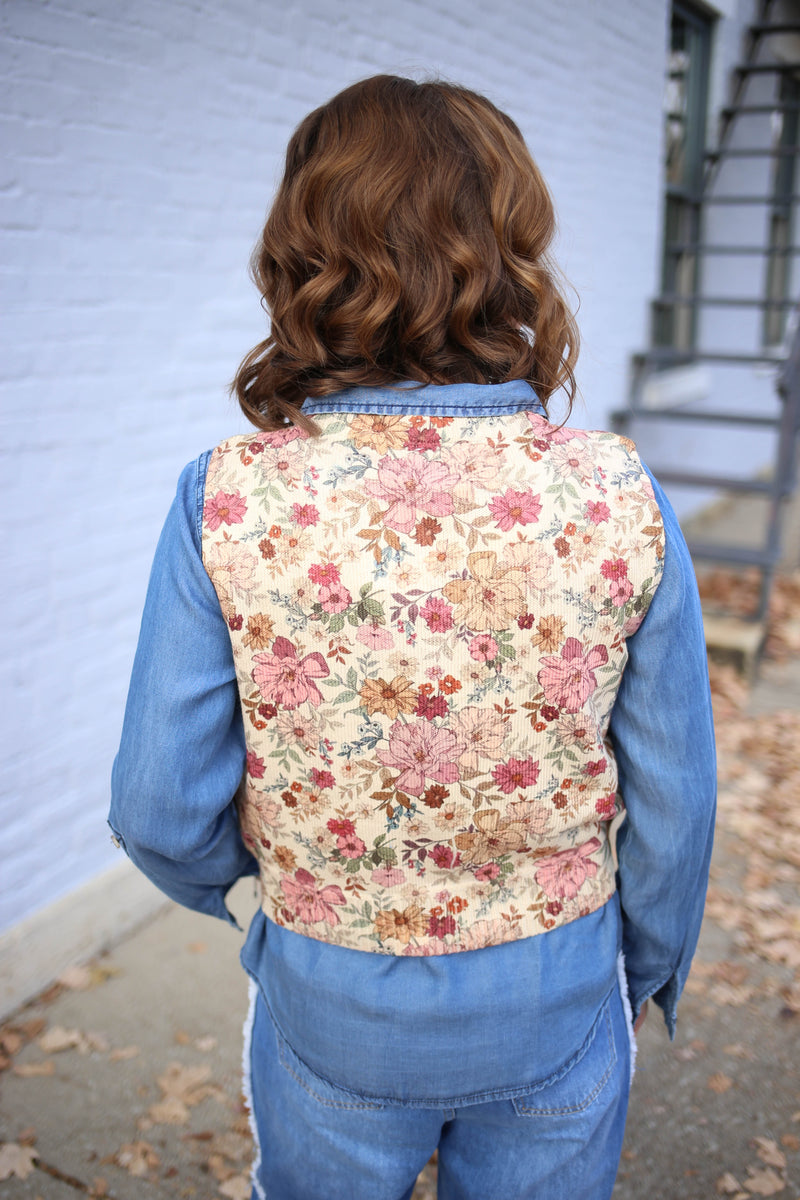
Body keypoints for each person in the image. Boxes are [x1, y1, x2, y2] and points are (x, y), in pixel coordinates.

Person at [109, 75, 716, 1200]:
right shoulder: (614, 492)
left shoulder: (228, 497)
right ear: (510, 245)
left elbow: (157, 804)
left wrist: (271, 905)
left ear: (302, 251)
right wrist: (642, 967)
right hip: (557, 992)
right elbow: (675, 797)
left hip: (330, 1002)